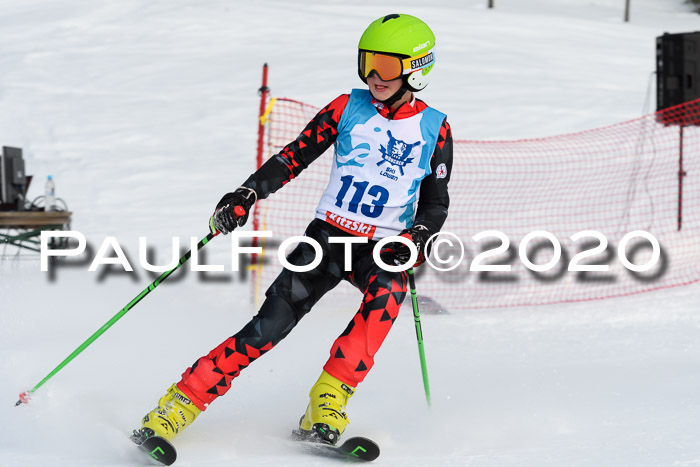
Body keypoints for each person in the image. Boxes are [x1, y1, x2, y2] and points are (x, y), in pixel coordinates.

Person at [132, 13, 453, 447]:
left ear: (417, 68)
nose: (376, 75)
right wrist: (247, 193)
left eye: (388, 66)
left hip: (383, 247)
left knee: (384, 303)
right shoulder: (345, 108)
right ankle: (177, 405)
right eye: (369, 62)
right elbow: (293, 157)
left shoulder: (435, 127)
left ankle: (327, 403)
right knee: (267, 328)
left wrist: (417, 238)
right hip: (326, 238)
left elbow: (435, 203)